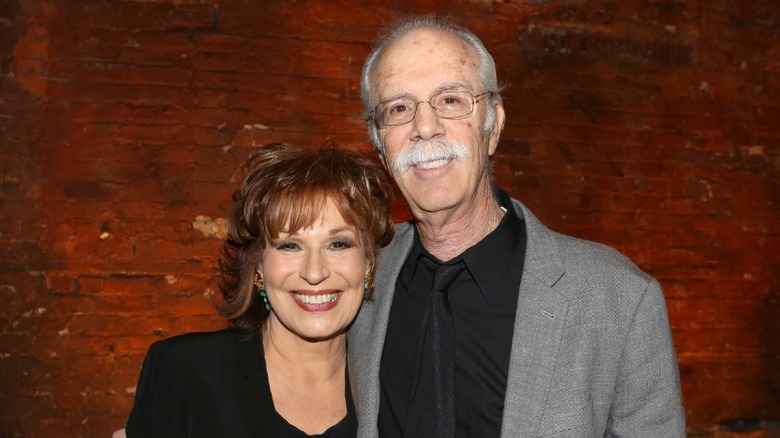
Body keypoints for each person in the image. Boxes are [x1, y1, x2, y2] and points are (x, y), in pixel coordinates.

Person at [347, 15, 686, 437]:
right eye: (398, 109)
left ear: (493, 126)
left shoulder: (619, 298)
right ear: (379, 144)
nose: (425, 126)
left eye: (450, 100)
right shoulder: (353, 275)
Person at [117, 143, 394, 437]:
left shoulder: (397, 384)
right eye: (290, 245)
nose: (315, 272)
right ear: (257, 266)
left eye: (338, 244)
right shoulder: (185, 370)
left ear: (369, 264)